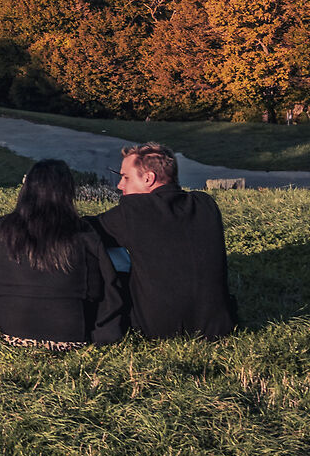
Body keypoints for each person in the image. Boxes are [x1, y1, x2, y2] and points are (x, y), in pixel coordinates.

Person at [0, 160, 126, 348]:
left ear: (26, 189)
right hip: (70, 334)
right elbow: (103, 288)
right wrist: (105, 331)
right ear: (68, 192)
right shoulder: (84, 234)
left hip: (9, 330)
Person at [93, 143, 238, 339]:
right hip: (216, 326)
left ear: (148, 178)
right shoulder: (205, 204)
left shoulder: (134, 211)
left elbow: (84, 230)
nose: (120, 185)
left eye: (126, 177)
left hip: (157, 328)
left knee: (105, 248)